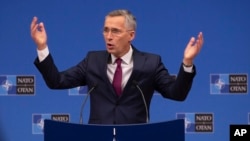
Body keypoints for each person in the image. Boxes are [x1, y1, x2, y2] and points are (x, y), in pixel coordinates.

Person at [30, 9, 203, 125]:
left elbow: (177, 94)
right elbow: (56, 81)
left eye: (115, 31)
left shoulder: (150, 63)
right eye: (106, 30)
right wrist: (42, 48)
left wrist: (187, 62)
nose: (109, 37)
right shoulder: (93, 60)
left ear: (131, 35)